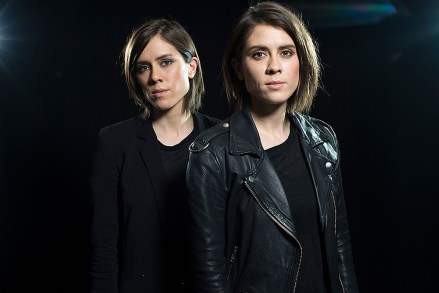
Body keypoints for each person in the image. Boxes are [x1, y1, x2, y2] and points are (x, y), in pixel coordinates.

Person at [186, 2, 359, 292]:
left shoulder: (322, 139)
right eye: (258, 54)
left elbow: (339, 243)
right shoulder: (212, 155)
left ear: (301, 61)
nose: (274, 67)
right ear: (238, 67)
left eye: (286, 52)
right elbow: (209, 273)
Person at [89, 18, 220, 293]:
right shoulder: (114, 142)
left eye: (166, 62)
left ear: (192, 65)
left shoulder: (222, 139)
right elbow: (104, 247)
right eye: (143, 68)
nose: (155, 77)